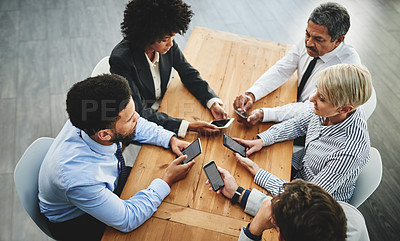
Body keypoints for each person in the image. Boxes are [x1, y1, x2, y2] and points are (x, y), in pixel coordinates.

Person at [38, 74, 195, 240]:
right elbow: (128, 219)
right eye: (130, 118)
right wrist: (167, 180)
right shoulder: (79, 179)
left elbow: (133, 125)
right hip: (77, 220)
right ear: (104, 135)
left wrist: (169, 139)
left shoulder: (90, 116)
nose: (138, 118)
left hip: (106, 181)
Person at [231, 64, 372, 202]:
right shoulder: (333, 109)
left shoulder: (349, 152)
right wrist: (262, 140)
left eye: (321, 98)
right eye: (316, 90)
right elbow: (298, 124)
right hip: (299, 170)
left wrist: (257, 171)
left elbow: (306, 197)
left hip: (313, 205)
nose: (311, 98)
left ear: (344, 109)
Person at [110, 0, 228, 138]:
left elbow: (188, 73)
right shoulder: (122, 60)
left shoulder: (165, 41)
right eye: (166, 39)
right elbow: (139, 111)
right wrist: (187, 126)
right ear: (148, 35)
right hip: (142, 119)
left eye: (172, 36)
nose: (171, 43)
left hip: (164, 104)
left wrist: (212, 102)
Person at [233, 2, 361, 126]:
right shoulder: (312, 40)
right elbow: (282, 69)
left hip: (317, 124)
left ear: (338, 40)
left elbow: (312, 108)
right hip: (293, 103)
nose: (309, 43)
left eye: (318, 39)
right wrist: (252, 94)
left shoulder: (346, 69)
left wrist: (264, 114)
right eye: (307, 34)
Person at [206, 169, 369, 241]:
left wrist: (254, 228)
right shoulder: (348, 215)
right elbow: (299, 210)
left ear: (281, 237)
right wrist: (237, 193)